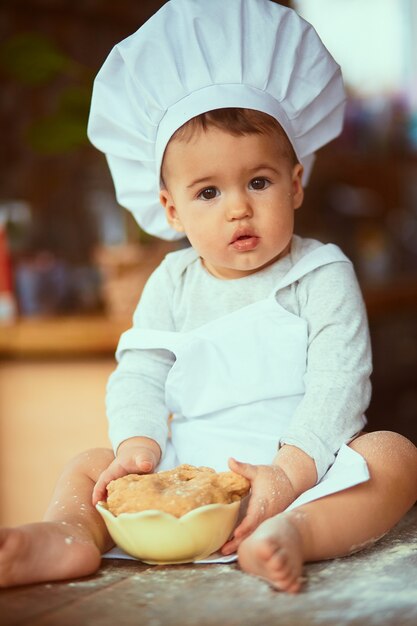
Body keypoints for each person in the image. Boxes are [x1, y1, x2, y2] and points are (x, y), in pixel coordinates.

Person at [1, 0, 417, 592]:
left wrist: (288, 475)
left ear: (295, 183)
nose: (238, 207)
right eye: (207, 192)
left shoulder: (322, 273)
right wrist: (139, 447)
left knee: (394, 453)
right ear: (169, 209)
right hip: (183, 477)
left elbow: (339, 385)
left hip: (301, 470)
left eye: (258, 181)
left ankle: (297, 533)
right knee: (89, 464)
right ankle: (63, 537)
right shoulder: (169, 283)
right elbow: (140, 373)